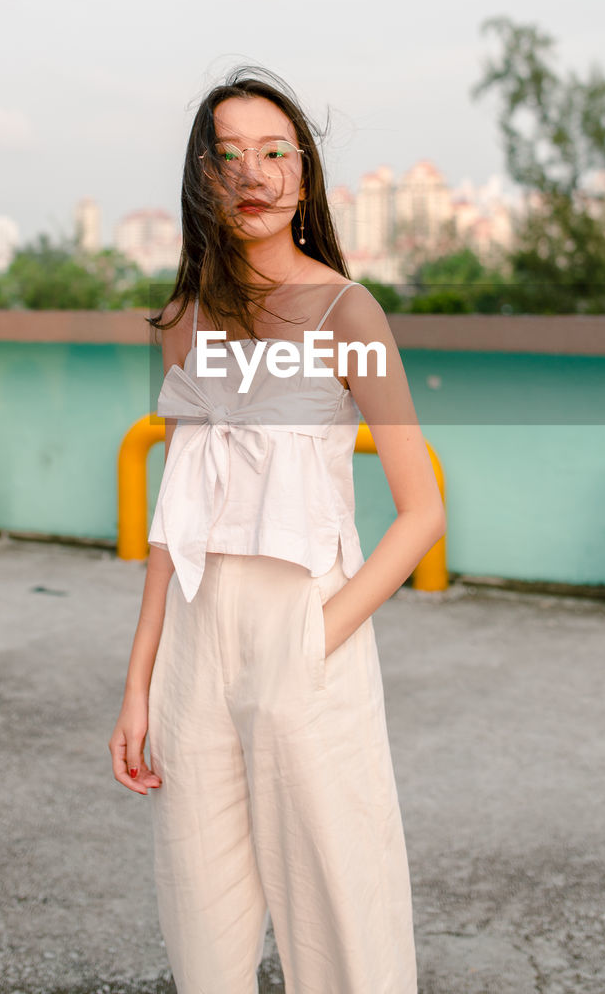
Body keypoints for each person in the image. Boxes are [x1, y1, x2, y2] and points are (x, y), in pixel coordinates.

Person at [109, 65, 446, 994]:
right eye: (230, 157)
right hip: (194, 640)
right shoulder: (185, 321)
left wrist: (319, 639)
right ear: (202, 179)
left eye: (274, 153)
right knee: (202, 918)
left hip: (305, 626)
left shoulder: (348, 312)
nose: (253, 174)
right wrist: (139, 683)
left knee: (341, 915)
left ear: (302, 176)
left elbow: (424, 511)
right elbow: (175, 515)